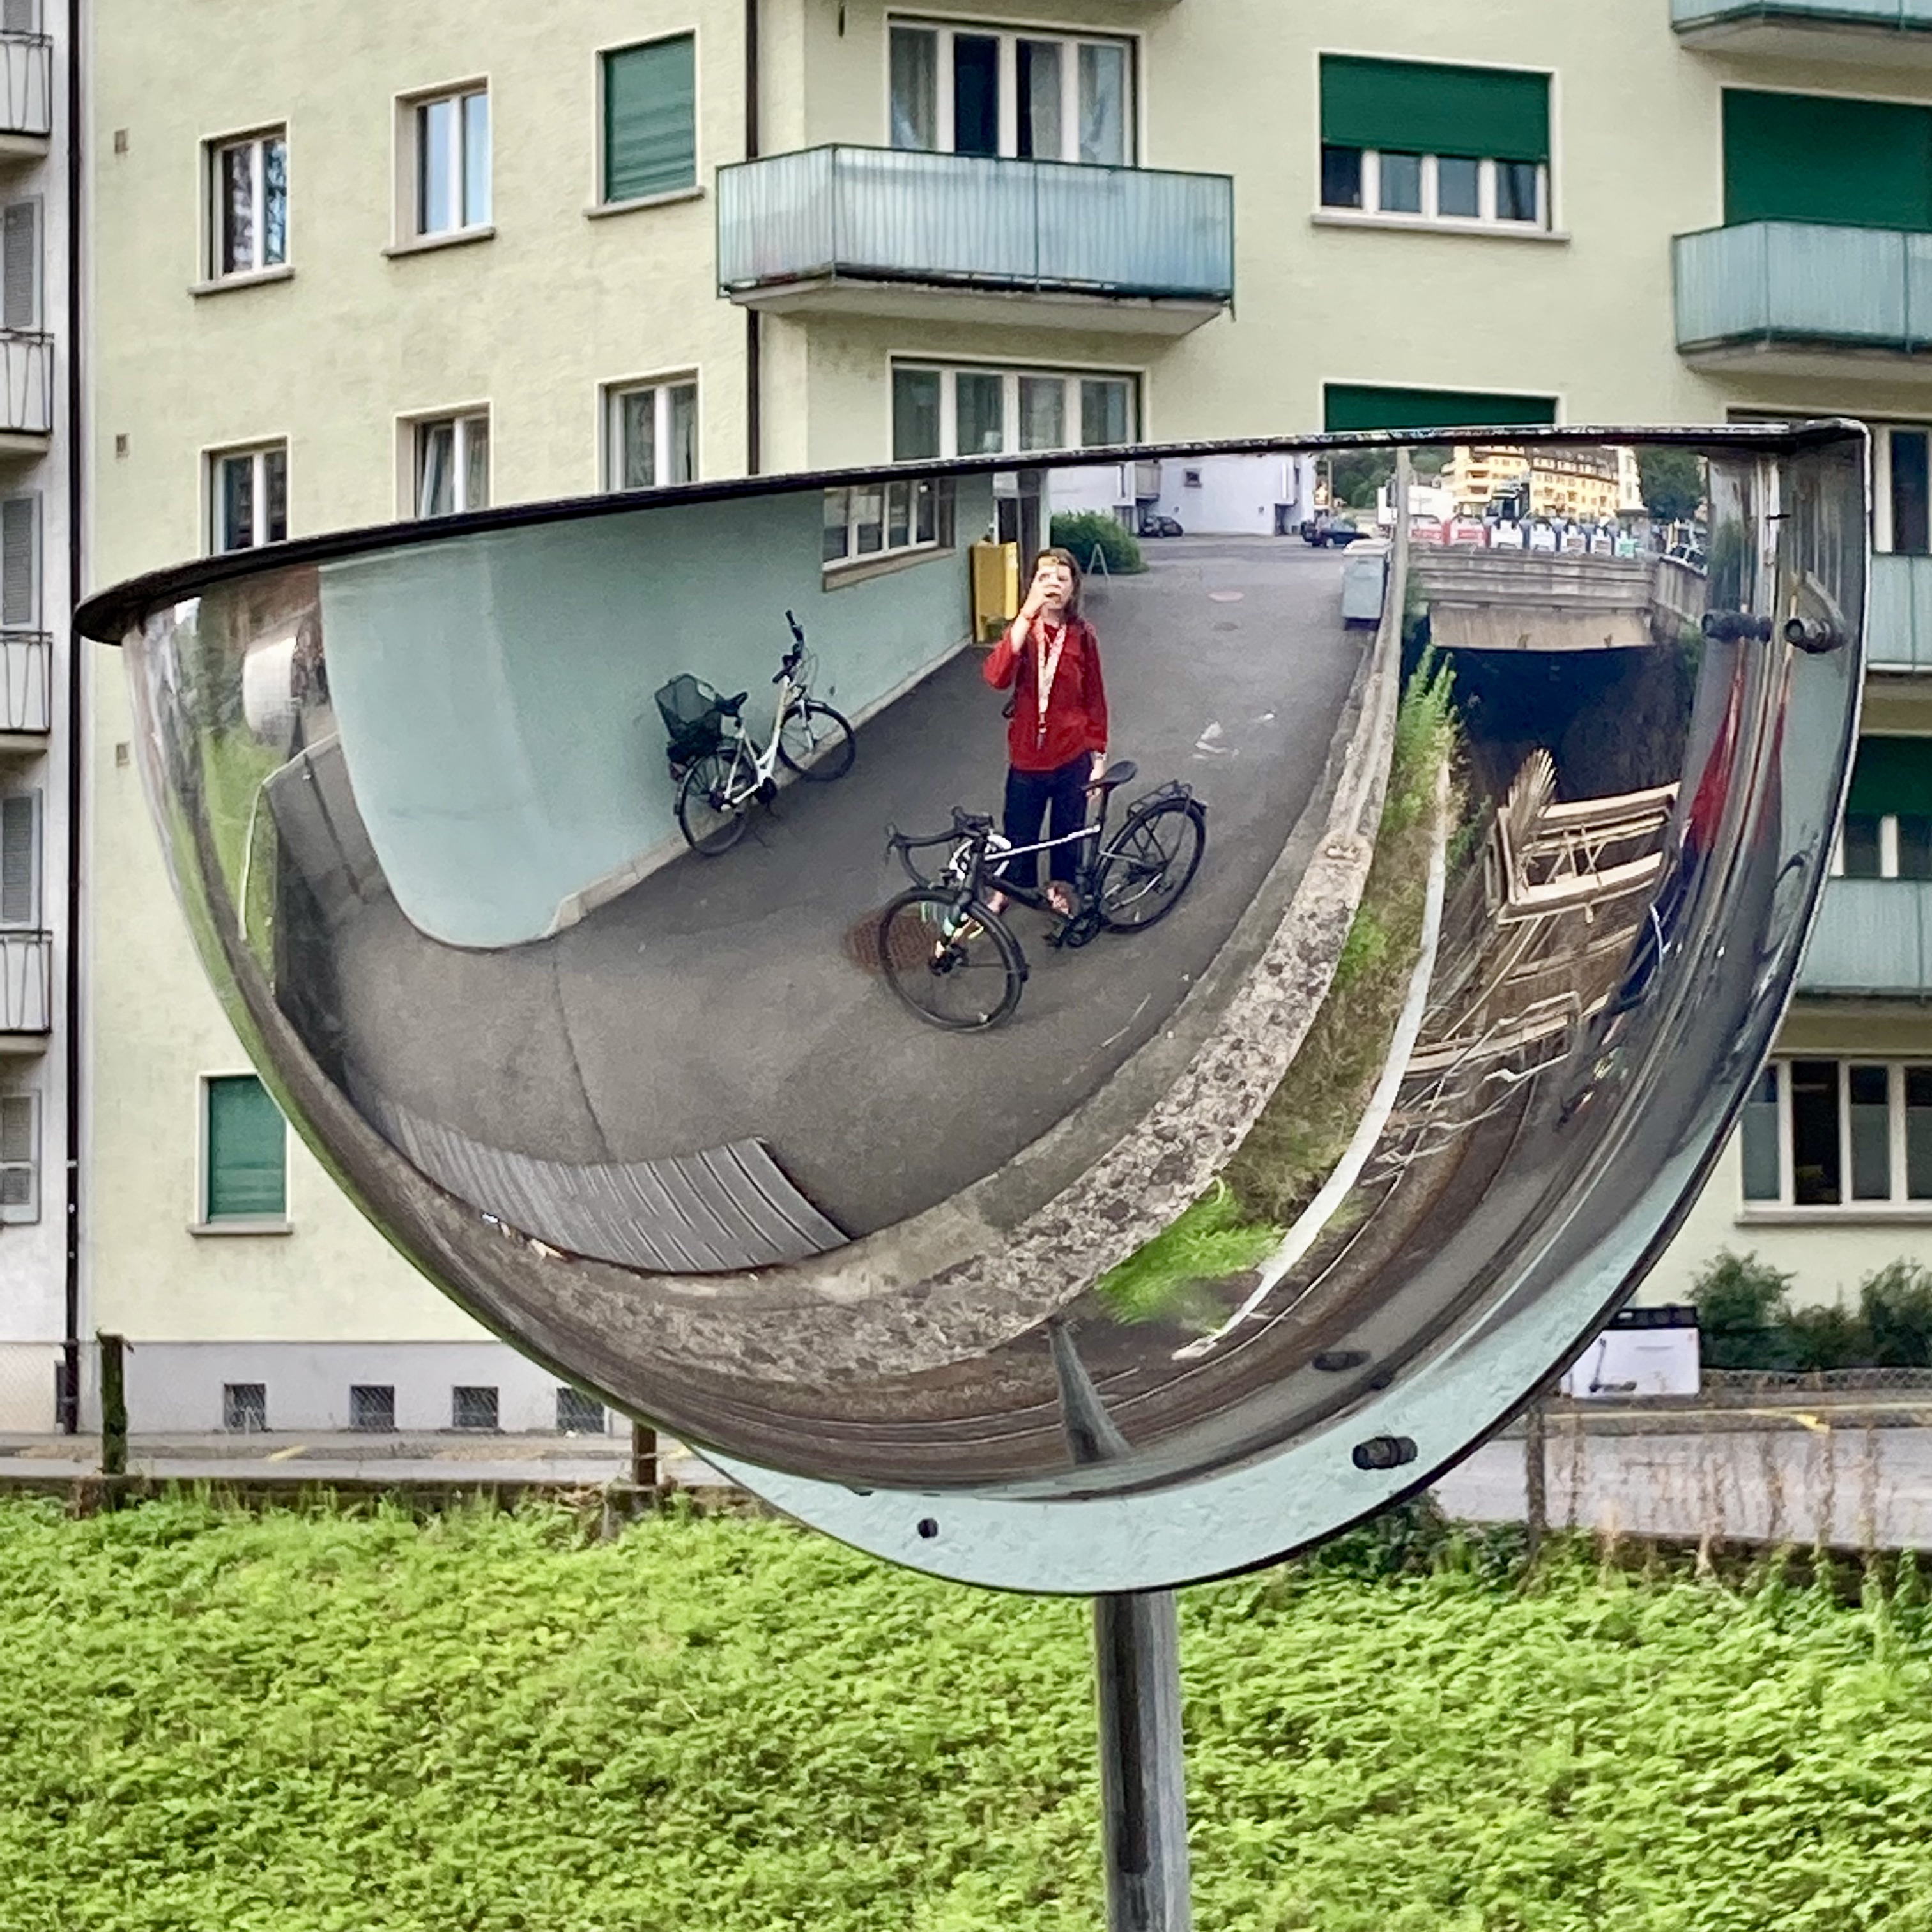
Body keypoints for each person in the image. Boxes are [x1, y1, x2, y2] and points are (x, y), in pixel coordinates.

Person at [981, 548, 1108, 918]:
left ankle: (1060, 888)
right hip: (1027, 756)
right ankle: (1009, 889)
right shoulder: (1024, 633)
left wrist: (1099, 758)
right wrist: (1026, 614)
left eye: (1062, 579)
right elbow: (996, 677)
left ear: (1073, 588)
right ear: (1032, 585)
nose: (1053, 585)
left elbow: (1094, 698)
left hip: (1072, 756)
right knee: (1019, 834)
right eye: (1044, 578)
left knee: (1067, 834)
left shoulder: (1082, 635)